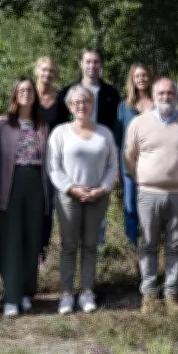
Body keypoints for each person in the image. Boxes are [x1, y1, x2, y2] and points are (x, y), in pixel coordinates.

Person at [124, 78, 178, 314]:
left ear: (176, 95)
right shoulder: (139, 123)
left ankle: (171, 293)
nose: (166, 95)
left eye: (170, 92)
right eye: (161, 92)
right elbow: (129, 157)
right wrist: (146, 178)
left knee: (176, 245)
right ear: (154, 95)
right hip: (149, 193)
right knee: (148, 244)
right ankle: (148, 293)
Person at [47, 85, 118, 315]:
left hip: (97, 197)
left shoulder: (104, 133)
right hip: (69, 198)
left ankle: (87, 291)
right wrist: (71, 189)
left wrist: (103, 189)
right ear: (69, 106)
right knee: (68, 246)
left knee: (90, 246)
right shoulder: (59, 133)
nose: (81, 106)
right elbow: (53, 167)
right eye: (76, 102)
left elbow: (112, 166)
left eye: (86, 101)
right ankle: (67, 293)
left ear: (92, 105)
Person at [0, 77, 48, 317]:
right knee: (11, 239)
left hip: (36, 182)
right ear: (14, 95)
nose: (26, 93)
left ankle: (26, 292)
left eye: (30, 90)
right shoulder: (2, 124)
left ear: (35, 95)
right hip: (10, 184)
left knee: (32, 238)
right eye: (21, 90)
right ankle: (11, 296)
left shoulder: (42, 125)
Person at [58, 49, 120, 245]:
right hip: (73, 157)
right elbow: (60, 125)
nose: (92, 66)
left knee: (97, 201)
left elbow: (115, 128)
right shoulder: (67, 92)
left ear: (100, 65)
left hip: (100, 156)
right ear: (81, 64)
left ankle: (96, 246)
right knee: (73, 201)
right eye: (88, 62)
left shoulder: (110, 93)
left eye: (96, 62)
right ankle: (71, 244)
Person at [113, 63, 154, 246]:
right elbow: (117, 137)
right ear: (132, 80)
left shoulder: (158, 104)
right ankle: (132, 244)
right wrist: (115, 166)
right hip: (129, 165)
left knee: (150, 205)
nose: (141, 79)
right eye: (137, 76)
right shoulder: (124, 106)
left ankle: (150, 241)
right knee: (130, 206)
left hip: (153, 164)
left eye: (144, 75)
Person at [35, 57, 63, 265]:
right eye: (44, 70)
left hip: (53, 159)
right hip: (28, 159)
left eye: (51, 71)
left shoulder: (60, 98)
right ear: (37, 71)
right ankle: (27, 249)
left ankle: (42, 253)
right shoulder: (27, 93)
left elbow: (67, 125)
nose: (47, 74)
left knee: (47, 206)